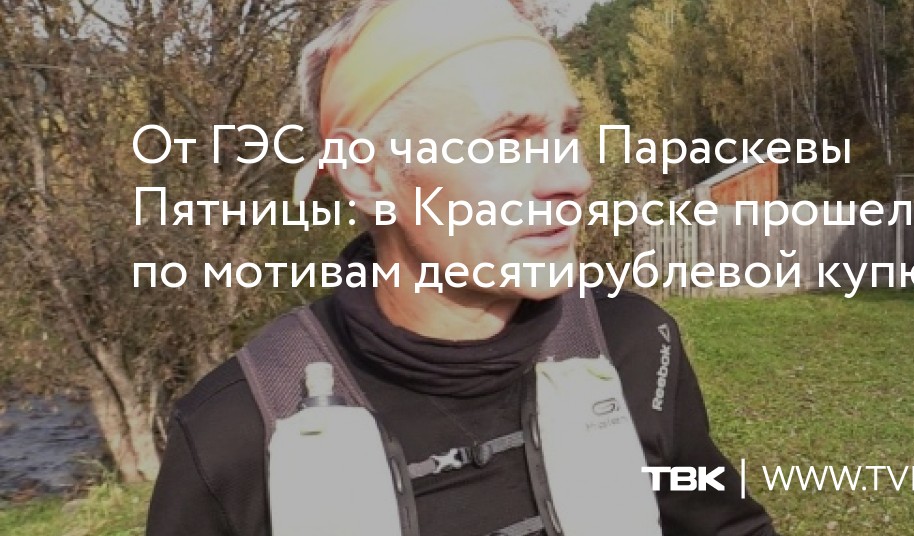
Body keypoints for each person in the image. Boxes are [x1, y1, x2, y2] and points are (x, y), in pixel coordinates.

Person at [146, 0, 779, 535]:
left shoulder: (631, 344)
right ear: (367, 173)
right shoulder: (234, 433)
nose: (573, 177)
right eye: (508, 139)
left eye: (566, 131)